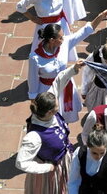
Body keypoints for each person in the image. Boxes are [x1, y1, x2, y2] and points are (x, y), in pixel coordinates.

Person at [28, 11, 107, 123]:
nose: (64, 39)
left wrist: (100, 17)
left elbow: (84, 31)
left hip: (66, 85)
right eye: (61, 38)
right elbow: (32, 81)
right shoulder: (35, 57)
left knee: (65, 115)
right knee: (52, 116)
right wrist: (34, 103)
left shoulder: (65, 43)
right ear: (52, 40)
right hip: (48, 91)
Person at [16, 62, 85, 193]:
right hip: (51, 169)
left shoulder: (47, 102)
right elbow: (21, 162)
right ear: (49, 112)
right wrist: (46, 168)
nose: (58, 108)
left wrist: (74, 69)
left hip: (63, 159)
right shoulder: (34, 137)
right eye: (56, 108)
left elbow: (58, 81)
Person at [17, 0, 104, 57]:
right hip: (46, 27)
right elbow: (20, 6)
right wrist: (32, 18)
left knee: (63, 47)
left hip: (61, 24)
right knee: (47, 50)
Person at [67, 127, 107, 194]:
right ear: (88, 145)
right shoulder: (79, 153)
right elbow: (73, 182)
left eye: (102, 153)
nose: (98, 156)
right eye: (94, 153)